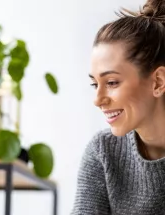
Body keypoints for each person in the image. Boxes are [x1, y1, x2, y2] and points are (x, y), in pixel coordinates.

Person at [71, 0, 165, 214]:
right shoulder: (103, 150)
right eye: (95, 84)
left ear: (158, 82)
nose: (98, 99)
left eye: (112, 82)